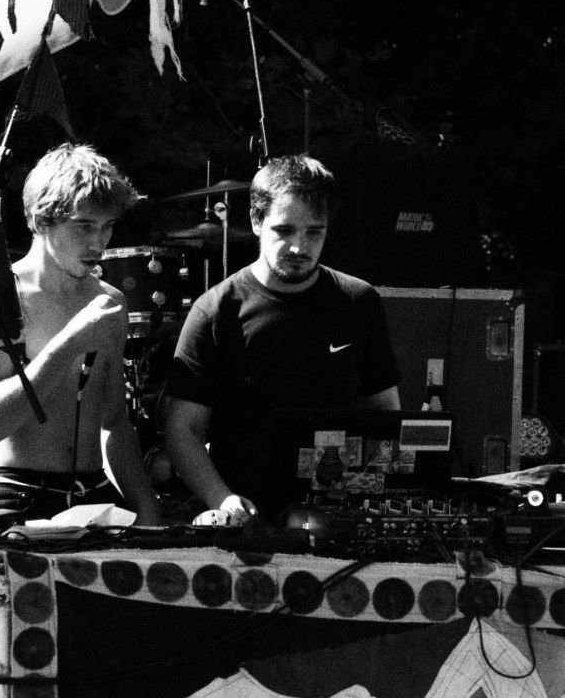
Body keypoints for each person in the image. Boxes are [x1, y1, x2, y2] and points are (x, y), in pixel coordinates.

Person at [162, 154, 401, 525]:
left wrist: (371, 497)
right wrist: (222, 499)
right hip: (248, 520)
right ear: (257, 221)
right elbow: (182, 429)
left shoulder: (359, 301)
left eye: (314, 232)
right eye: (285, 230)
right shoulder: (216, 310)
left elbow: (385, 416)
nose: (299, 247)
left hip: (337, 515)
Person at [0, 143, 163, 525]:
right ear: (43, 220)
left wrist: (148, 509)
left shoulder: (110, 301)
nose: (98, 243)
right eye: (84, 226)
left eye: (107, 226)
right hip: (15, 494)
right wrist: (70, 343)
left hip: (92, 495)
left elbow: (114, 422)